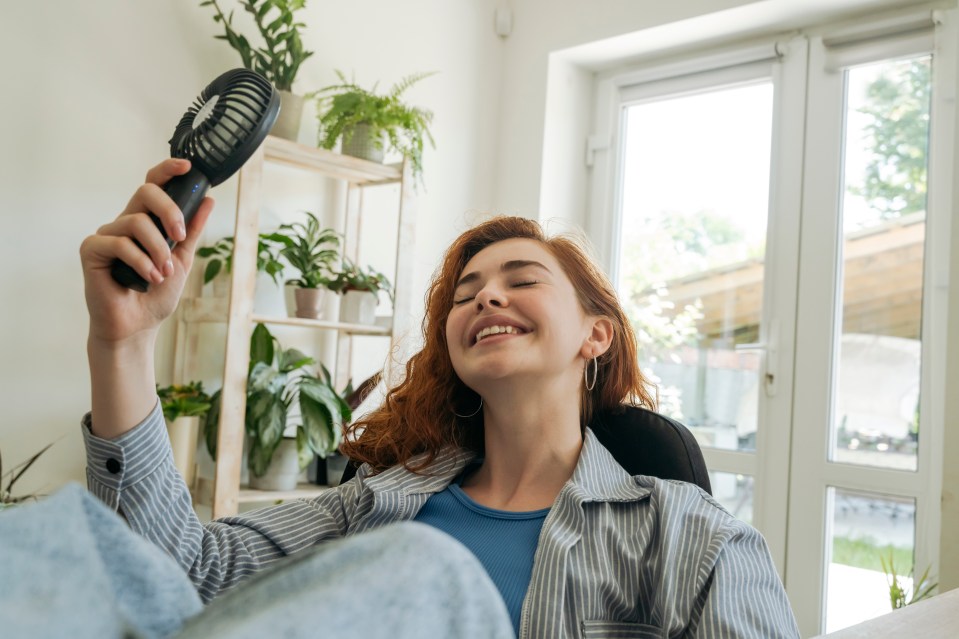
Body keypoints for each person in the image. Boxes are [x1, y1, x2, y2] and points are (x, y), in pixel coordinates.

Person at [78, 158, 801, 638]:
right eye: (466, 293)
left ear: (596, 334)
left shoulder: (694, 538)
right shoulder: (376, 507)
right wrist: (123, 344)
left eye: (521, 279)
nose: (487, 293)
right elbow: (176, 573)